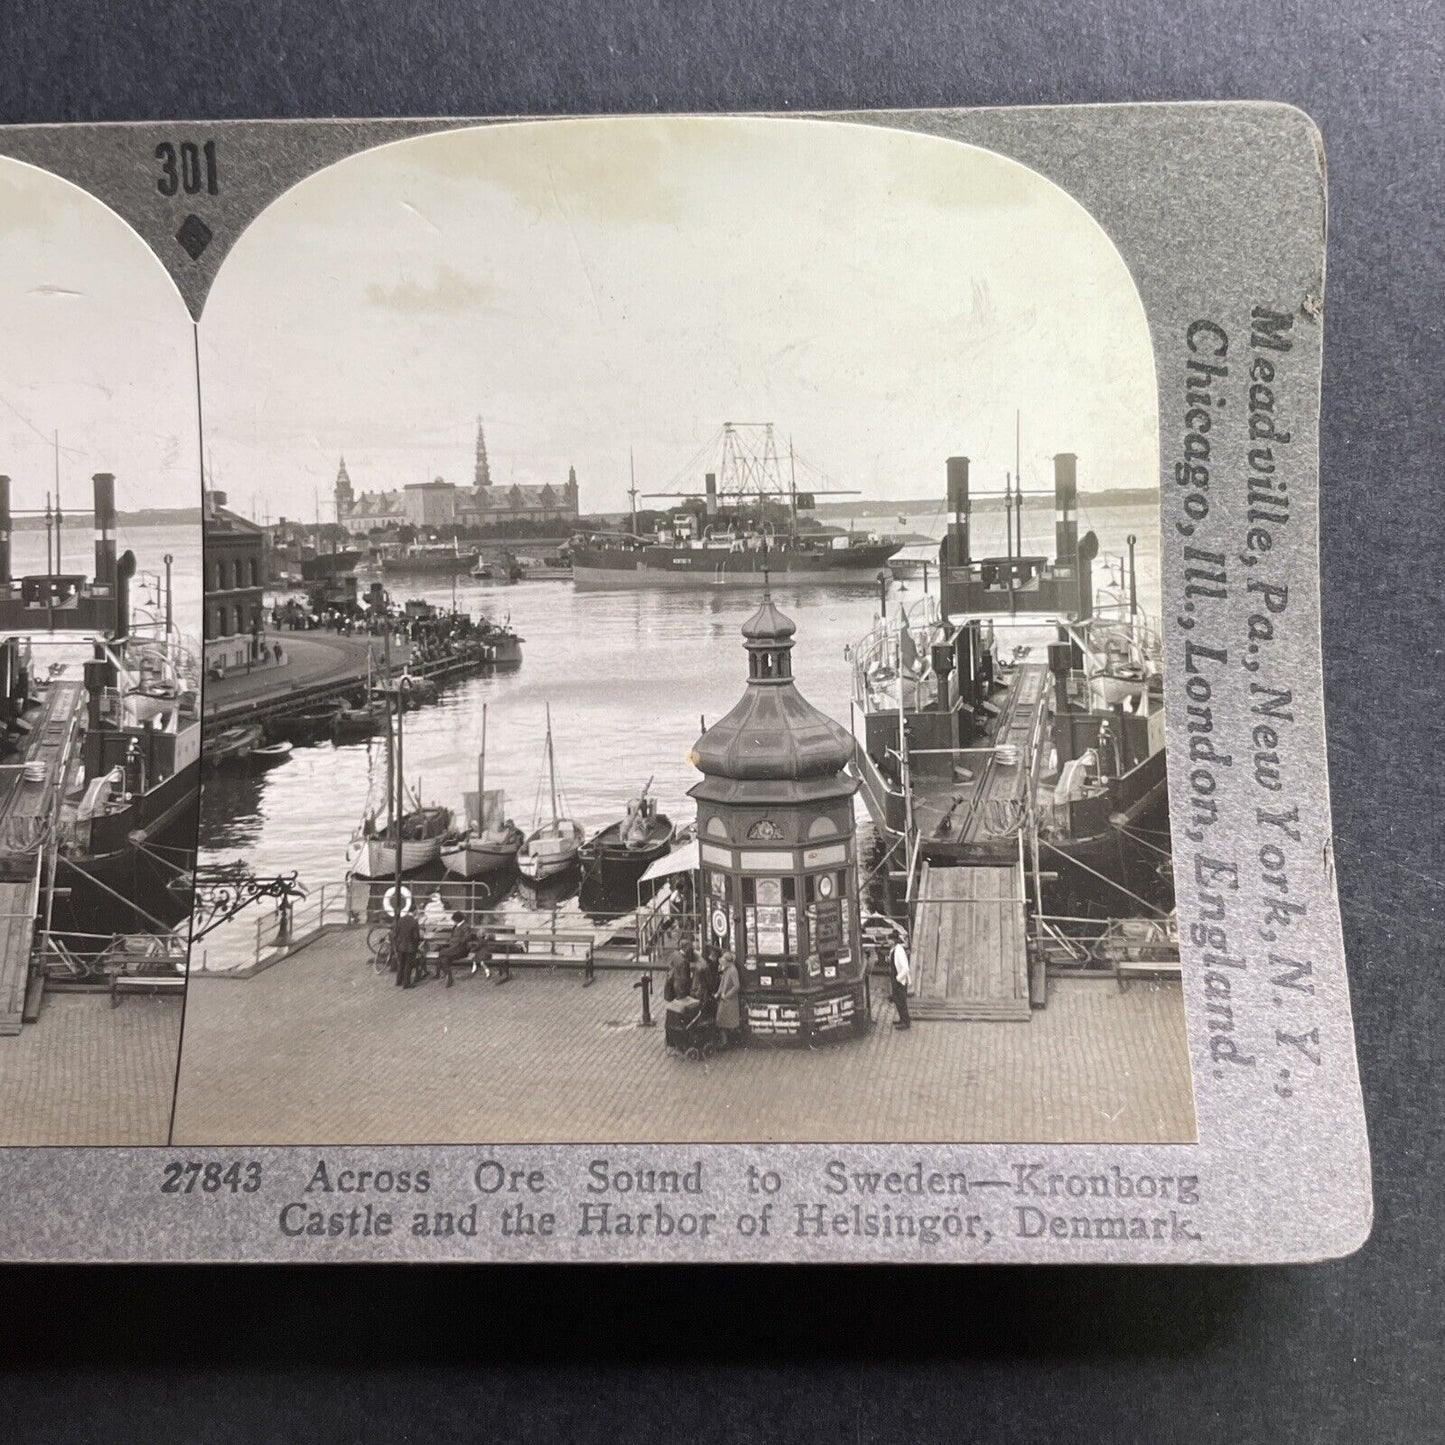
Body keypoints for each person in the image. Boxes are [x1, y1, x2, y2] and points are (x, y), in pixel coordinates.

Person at [435, 911, 475, 989]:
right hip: (453, 949)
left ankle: (442, 975)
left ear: (457, 920)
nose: (453, 922)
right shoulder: (456, 926)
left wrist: (458, 942)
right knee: (444, 959)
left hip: (461, 949)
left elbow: (467, 937)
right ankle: (449, 978)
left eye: (454, 920)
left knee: (442, 953)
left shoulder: (465, 926)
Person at [715, 950, 741, 1047]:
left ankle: (725, 1042)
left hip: (729, 1001)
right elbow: (722, 983)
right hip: (724, 999)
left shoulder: (733, 970)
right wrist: (718, 992)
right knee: (721, 1021)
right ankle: (725, 1040)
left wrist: (727, 995)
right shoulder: (727, 969)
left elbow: (736, 986)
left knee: (723, 1021)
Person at [394, 909, 422, 989]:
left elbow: (396, 933)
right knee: (408, 965)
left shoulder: (401, 919)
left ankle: (398, 981)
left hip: (400, 946)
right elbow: (416, 937)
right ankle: (407, 983)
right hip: (410, 947)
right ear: (415, 912)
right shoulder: (414, 922)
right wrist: (417, 945)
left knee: (401, 964)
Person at [890, 933, 912, 1031]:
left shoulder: (899, 951)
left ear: (893, 940)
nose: (887, 942)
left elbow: (906, 968)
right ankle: (901, 1018)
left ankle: (906, 1021)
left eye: (889, 940)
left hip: (900, 981)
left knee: (902, 1001)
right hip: (895, 980)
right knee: (897, 1000)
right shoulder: (893, 950)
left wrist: (898, 978)